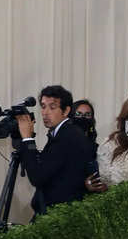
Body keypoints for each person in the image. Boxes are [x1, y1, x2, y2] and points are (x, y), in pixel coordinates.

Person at [16, 85, 95, 215]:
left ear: (66, 111)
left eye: (52, 107)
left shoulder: (66, 136)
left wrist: (27, 139)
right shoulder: (65, 132)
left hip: (59, 216)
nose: (45, 112)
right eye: (43, 106)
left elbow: (37, 177)